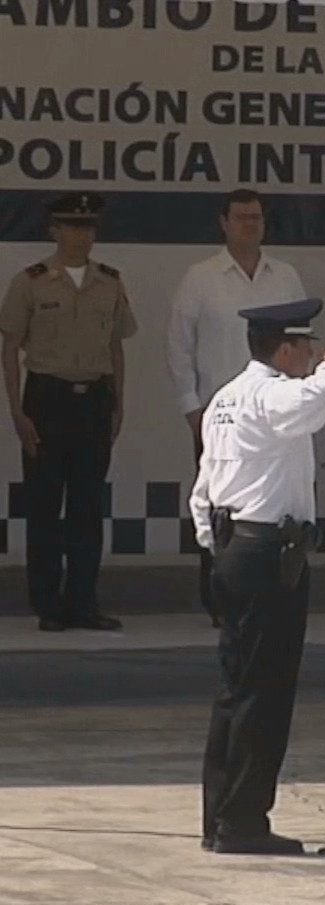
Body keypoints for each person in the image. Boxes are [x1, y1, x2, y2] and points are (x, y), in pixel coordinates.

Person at [189, 297, 325, 855]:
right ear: (285, 349)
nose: (310, 357)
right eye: (305, 347)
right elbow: (314, 398)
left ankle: (220, 818)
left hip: (234, 549)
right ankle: (243, 823)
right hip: (266, 556)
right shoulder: (270, 394)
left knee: (235, 690)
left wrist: (214, 552)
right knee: (265, 692)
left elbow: (203, 489)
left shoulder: (224, 400)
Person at [167, 189, 309, 628]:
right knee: (220, 511)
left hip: (275, 419)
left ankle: (275, 594)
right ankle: (221, 601)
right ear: (223, 222)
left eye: (257, 217)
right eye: (242, 217)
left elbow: (301, 343)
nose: (250, 224)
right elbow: (178, 346)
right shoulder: (200, 277)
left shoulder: (284, 276)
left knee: (274, 512)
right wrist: (191, 407)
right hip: (222, 419)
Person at [0, 192, 137, 633]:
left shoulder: (110, 282)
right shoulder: (31, 282)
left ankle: (84, 602)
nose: (82, 235)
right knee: (44, 506)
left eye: (88, 227)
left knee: (87, 506)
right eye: (72, 226)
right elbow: (8, 348)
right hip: (47, 399)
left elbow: (116, 346)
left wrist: (118, 401)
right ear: (54, 231)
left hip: (94, 399)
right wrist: (18, 412)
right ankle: (48, 604)